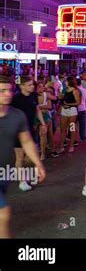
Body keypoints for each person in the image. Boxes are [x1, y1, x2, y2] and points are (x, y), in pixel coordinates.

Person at [0, 76, 46, 238]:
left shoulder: (17, 116)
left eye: (9, 90)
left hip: (4, 173)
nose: (7, 94)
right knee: (3, 214)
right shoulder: (18, 104)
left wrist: (38, 163)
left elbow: (26, 140)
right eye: (2, 91)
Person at [11, 76, 47, 191]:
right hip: (18, 131)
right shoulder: (15, 99)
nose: (32, 87)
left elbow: (37, 109)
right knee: (20, 157)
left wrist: (43, 123)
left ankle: (20, 172)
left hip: (30, 129)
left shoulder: (34, 96)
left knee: (33, 155)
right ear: (22, 86)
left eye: (32, 85)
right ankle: (22, 181)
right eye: (29, 85)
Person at [57, 77, 80, 154]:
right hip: (64, 110)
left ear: (69, 82)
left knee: (72, 128)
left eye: (66, 81)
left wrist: (68, 104)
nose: (64, 82)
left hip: (72, 111)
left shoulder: (75, 91)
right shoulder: (65, 89)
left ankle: (71, 146)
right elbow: (61, 98)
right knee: (62, 128)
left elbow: (78, 103)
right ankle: (61, 146)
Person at [35, 82, 54, 161]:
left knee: (43, 134)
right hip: (35, 117)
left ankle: (43, 153)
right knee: (34, 134)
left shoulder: (46, 95)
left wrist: (38, 106)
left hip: (45, 116)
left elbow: (49, 106)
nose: (41, 88)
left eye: (42, 86)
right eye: (39, 86)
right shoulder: (33, 95)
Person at [76, 78, 86, 143]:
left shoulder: (75, 90)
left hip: (75, 109)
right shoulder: (85, 90)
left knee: (72, 124)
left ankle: (70, 135)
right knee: (82, 124)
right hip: (83, 109)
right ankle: (82, 136)